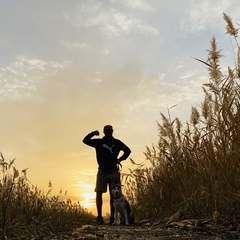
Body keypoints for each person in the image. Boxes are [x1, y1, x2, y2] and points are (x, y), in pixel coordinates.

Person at [82, 125, 131, 224]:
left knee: (114, 194)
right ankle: (99, 217)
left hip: (113, 171)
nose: (108, 132)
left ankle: (112, 218)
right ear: (104, 131)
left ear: (112, 131)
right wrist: (93, 133)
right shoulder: (99, 142)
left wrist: (120, 159)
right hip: (102, 170)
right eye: (107, 130)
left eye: (110, 130)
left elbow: (128, 151)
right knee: (99, 192)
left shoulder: (117, 143)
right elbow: (85, 140)